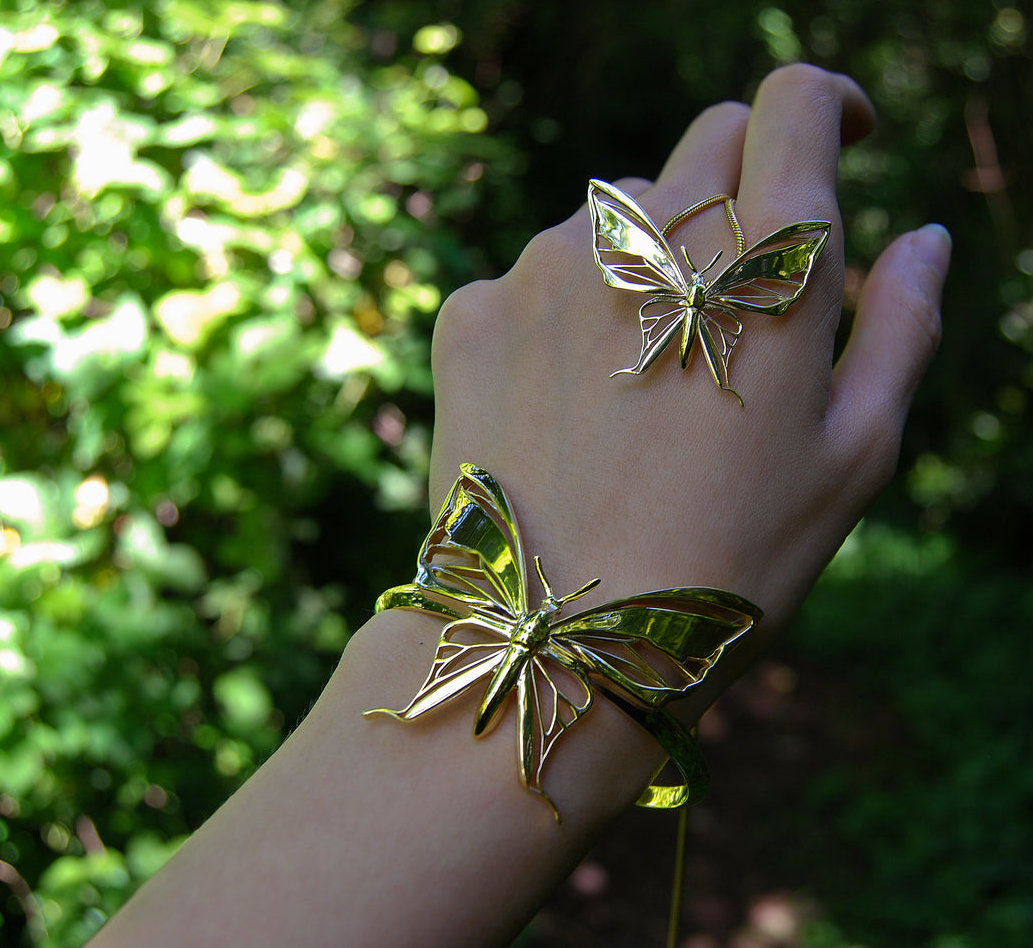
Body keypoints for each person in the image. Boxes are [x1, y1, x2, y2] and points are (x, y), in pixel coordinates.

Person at [87, 62, 951, 948]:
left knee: (509, 705)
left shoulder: (514, 586)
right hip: (526, 635)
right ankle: (500, 744)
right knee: (522, 718)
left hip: (505, 626)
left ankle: (483, 730)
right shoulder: (586, 629)